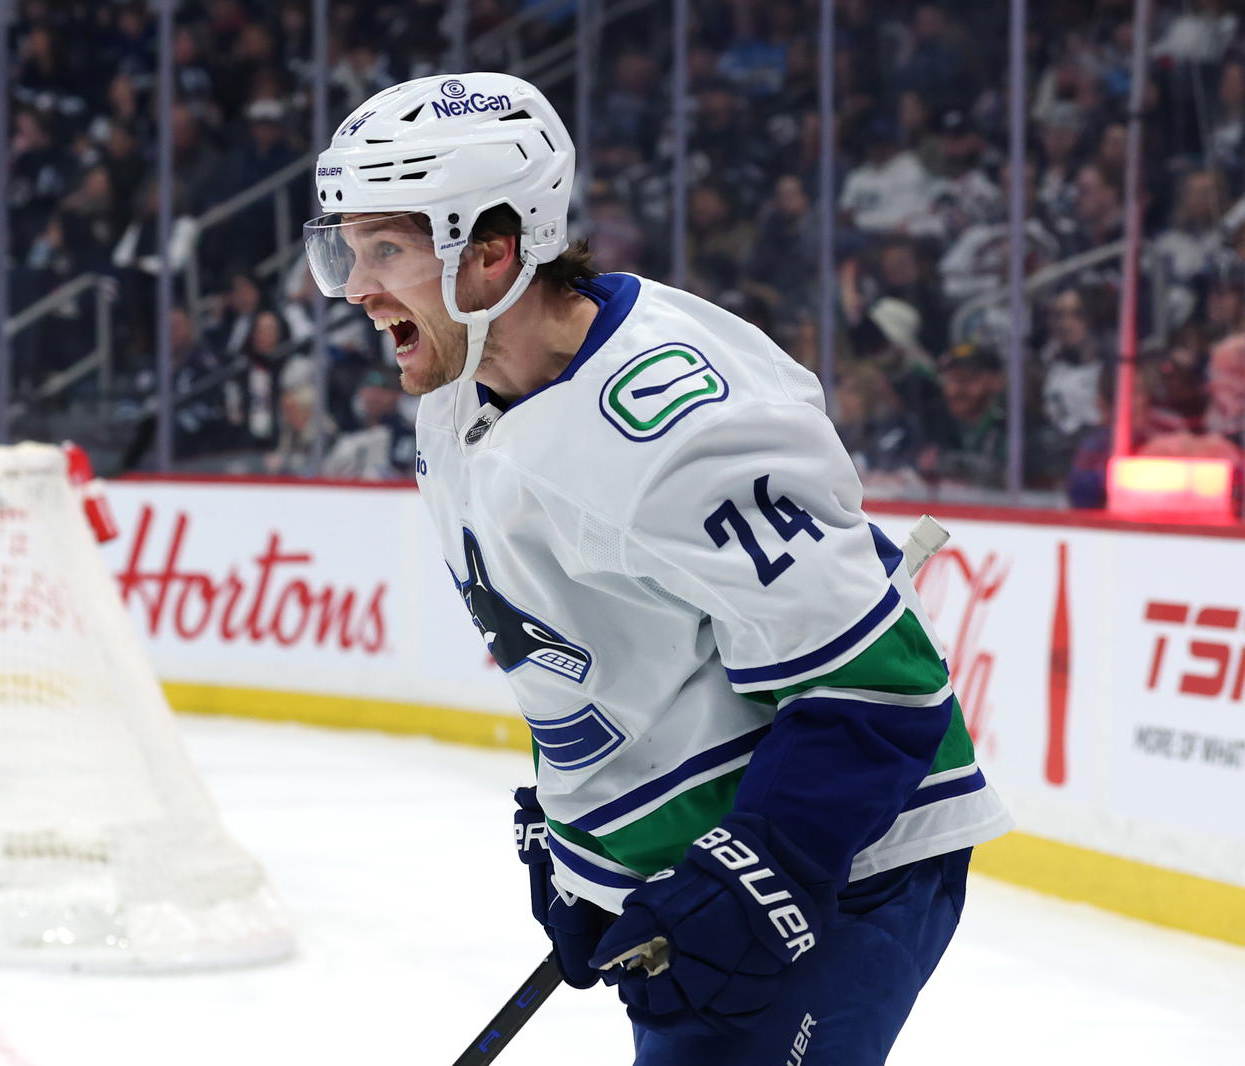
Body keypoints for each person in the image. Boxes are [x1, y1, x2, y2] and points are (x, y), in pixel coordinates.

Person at [303, 73, 1011, 1066]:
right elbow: (593, 653)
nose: (354, 286)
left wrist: (754, 870)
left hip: (844, 868)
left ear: (494, 251)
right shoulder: (456, 399)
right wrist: (585, 841)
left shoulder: (683, 425)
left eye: (387, 249)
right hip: (686, 874)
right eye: (344, 249)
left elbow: (876, 688)